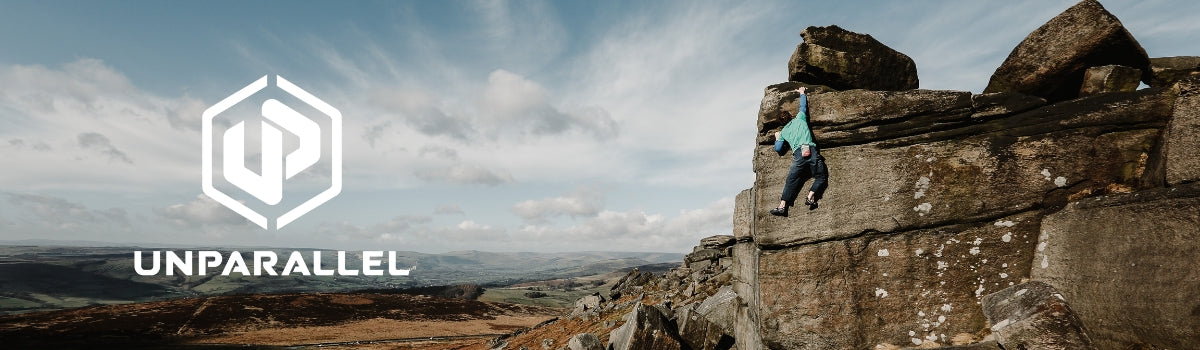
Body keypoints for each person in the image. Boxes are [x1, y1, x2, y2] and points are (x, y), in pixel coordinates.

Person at [769, 86, 828, 217]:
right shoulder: (800, 118)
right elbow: (803, 106)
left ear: (782, 122)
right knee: (821, 177)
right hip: (810, 150)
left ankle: (782, 206)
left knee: (791, 181)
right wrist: (802, 92)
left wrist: (777, 137)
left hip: (798, 155)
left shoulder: (783, 131)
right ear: (791, 116)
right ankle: (810, 196)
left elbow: (778, 149)